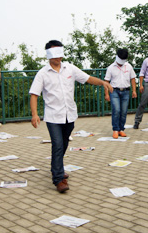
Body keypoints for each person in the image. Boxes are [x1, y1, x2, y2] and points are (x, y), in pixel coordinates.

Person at [30, 40, 113, 193]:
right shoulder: (42, 73)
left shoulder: (70, 68)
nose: (58, 57)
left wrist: (102, 83)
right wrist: (34, 114)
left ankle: (58, 168)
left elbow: (87, 78)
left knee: (65, 143)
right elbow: (34, 94)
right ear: (48, 54)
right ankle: (58, 179)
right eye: (54, 53)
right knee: (57, 144)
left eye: (60, 52)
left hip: (69, 114)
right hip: (53, 116)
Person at [104, 48, 137, 139]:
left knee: (124, 111)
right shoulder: (111, 67)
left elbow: (133, 78)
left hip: (126, 91)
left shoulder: (128, 66)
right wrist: (106, 94)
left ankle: (121, 129)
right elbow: (106, 81)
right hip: (114, 91)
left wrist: (134, 91)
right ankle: (115, 129)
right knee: (116, 110)